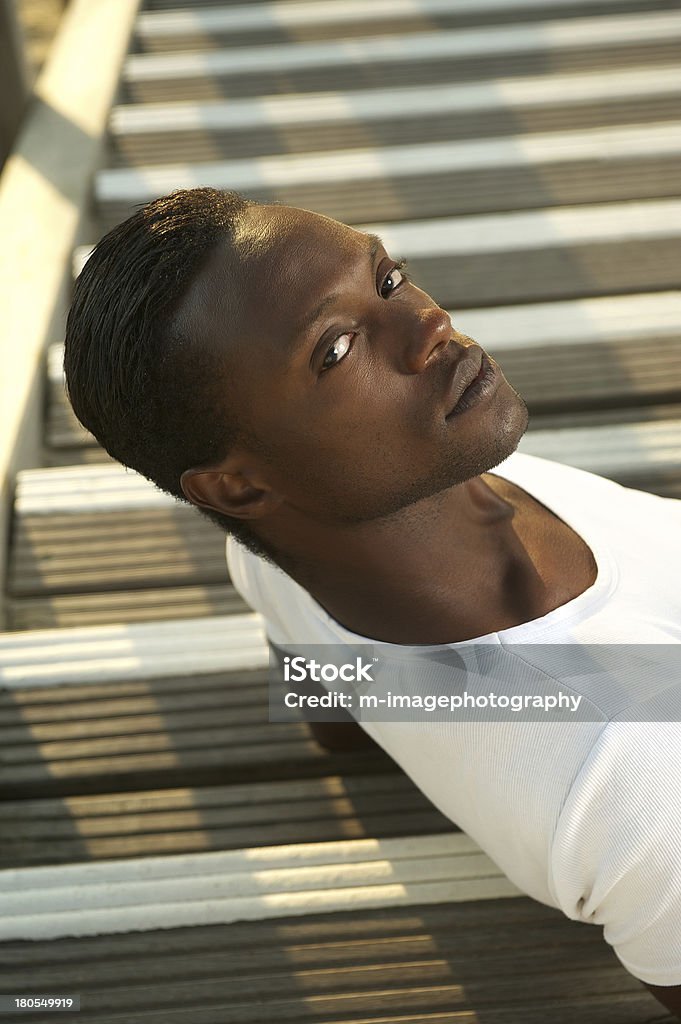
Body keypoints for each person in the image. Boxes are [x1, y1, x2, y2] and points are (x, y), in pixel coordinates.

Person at [63, 187, 681, 1018]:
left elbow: (331, 724)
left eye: (385, 279)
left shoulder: (287, 560)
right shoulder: (639, 780)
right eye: (337, 347)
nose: (430, 326)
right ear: (238, 484)